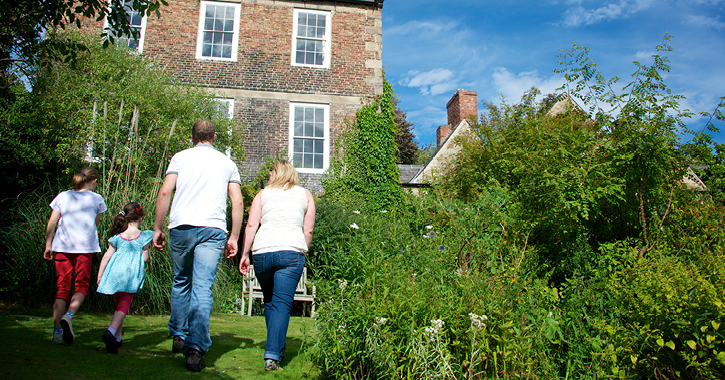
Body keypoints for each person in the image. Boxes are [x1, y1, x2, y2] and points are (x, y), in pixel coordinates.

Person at [153, 119, 244, 372]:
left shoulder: (180, 158)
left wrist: (158, 228)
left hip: (181, 227)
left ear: (192, 137)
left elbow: (164, 193)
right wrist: (234, 237)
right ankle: (195, 348)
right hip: (212, 230)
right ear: (214, 137)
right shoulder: (227, 164)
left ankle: (179, 336)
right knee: (202, 287)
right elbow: (237, 202)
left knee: (181, 280)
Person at [238, 159, 316, 371]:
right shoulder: (305, 195)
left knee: (270, 301)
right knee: (281, 303)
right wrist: (303, 248)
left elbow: (252, 224)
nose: (268, 177)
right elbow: (307, 230)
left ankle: (273, 349)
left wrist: (245, 253)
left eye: (271, 173)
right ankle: (272, 355)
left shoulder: (262, 194)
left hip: (262, 252)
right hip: (291, 252)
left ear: (278, 173)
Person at [43, 167, 107, 345]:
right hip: (84, 249)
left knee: (62, 288)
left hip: (62, 247)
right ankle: (69, 315)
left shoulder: (63, 196)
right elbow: (95, 224)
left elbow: (52, 221)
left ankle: (57, 333)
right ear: (94, 182)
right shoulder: (97, 199)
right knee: (81, 287)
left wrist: (48, 244)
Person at [97, 202, 153, 354]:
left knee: (118, 304)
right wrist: (145, 254)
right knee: (124, 306)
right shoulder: (144, 236)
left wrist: (100, 275)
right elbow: (145, 258)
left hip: (115, 273)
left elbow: (106, 256)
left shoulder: (118, 237)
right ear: (140, 218)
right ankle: (110, 331)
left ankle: (117, 337)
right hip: (130, 274)